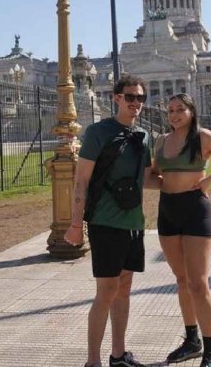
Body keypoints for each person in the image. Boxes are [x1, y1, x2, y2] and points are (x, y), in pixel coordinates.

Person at [150, 94, 211, 367]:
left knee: (198, 282)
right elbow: (155, 174)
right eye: (170, 110)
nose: (174, 114)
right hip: (168, 211)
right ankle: (191, 340)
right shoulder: (161, 141)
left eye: (180, 109)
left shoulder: (203, 137)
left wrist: (209, 180)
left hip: (196, 210)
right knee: (181, 280)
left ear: (192, 111)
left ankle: (210, 349)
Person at [65, 75, 153, 367]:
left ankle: (118, 354)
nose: (136, 103)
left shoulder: (143, 136)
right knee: (106, 291)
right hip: (105, 222)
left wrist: (191, 182)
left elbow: (149, 178)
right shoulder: (98, 132)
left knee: (124, 288)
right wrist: (76, 225)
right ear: (116, 98)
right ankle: (93, 361)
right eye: (130, 97)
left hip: (134, 223)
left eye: (140, 98)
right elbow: (81, 182)